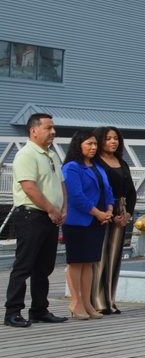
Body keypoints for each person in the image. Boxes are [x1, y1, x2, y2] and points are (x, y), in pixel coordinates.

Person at [4, 113, 68, 327]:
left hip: (51, 216)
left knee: (44, 267)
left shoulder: (51, 154)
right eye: (49, 128)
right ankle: (13, 312)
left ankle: (39, 309)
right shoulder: (26, 155)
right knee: (24, 265)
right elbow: (29, 187)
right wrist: (51, 209)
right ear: (34, 130)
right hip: (32, 215)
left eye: (53, 128)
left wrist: (63, 209)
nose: (53, 132)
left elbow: (61, 184)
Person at [62, 130, 114, 320]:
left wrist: (109, 209)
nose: (93, 147)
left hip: (97, 220)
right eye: (89, 144)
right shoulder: (72, 167)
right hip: (79, 220)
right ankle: (76, 302)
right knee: (76, 261)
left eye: (95, 144)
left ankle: (87, 302)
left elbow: (107, 190)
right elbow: (76, 197)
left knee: (90, 262)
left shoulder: (98, 166)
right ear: (79, 145)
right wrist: (98, 213)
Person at [92, 125, 138, 315]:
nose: (113, 142)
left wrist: (127, 214)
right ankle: (97, 300)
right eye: (108, 138)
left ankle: (110, 300)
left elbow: (132, 192)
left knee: (114, 257)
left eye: (116, 138)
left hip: (121, 210)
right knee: (100, 256)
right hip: (102, 211)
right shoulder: (94, 163)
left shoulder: (122, 163)